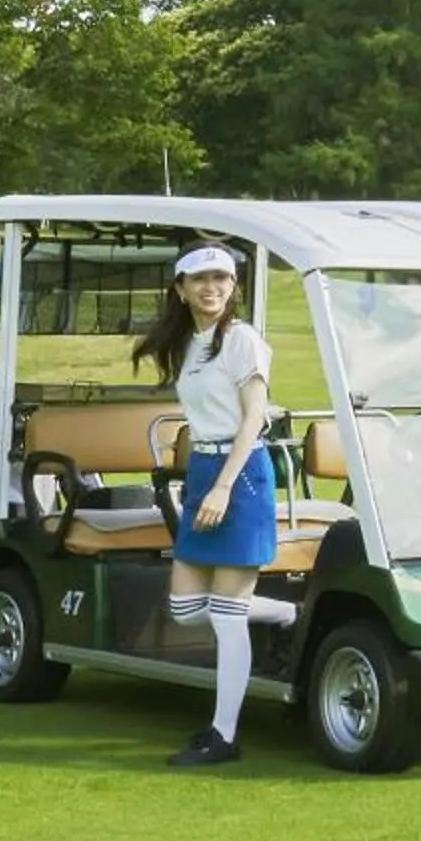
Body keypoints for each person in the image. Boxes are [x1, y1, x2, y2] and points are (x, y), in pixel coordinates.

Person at [131, 242, 294, 769]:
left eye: (222, 279)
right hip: (204, 469)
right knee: (184, 607)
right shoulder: (190, 344)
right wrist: (209, 481)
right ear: (180, 289)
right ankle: (290, 614)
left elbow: (253, 419)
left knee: (226, 618)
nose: (213, 288)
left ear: (234, 286)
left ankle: (224, 735)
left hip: (240, 475)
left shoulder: (242, 340)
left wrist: (224, 486)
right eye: (201, 280)